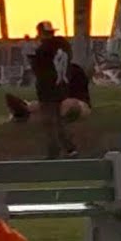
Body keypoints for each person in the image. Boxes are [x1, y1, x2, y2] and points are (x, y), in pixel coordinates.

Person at [30, 21, 77, 159]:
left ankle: (55, 150)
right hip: (63, 87)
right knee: (59, 120)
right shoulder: (64, 45)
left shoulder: (42, 50)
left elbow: (39, 71)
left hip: (47, 90)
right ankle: (69, 149)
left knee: (49, 122)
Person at [5, 61, 92, 125]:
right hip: (55, 107)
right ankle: (24, 111)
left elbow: (79, 96)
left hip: (77, 104)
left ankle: (24, 113)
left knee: (68, 104)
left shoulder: (74, 70)